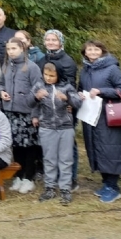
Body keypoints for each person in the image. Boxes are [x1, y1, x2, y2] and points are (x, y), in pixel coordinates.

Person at [78, 40, 121, 203]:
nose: (92, 52)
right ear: (85, 52)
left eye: (96, 49)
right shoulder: (84, 70)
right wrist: (80, 94)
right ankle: (106, 183)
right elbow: (80, 88)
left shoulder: (112, 68)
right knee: (96, 148)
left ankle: (114, 187)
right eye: (89, 50)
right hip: (90, 115)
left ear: (102, 51)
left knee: (111, 150)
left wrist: (101, 91)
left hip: (108, 116)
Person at [31, 63, 82, 205]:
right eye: (46, 75)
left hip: (65, 127)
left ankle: (65, 188)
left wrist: (67, 99)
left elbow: (78, 103)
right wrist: (36, 97)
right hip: (46, 127)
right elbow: (29, 102)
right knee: (49, 159)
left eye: (52, 76)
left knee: (66, 159)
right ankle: (49, 188)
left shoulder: (67, 87)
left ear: (58, 75)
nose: (48, 78)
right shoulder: (39, 86)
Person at [38, 28, 80, 191]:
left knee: (69, 147)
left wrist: (68, 101)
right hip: (47, 111)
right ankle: (52, 179)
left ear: (61, 42)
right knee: (50, 148)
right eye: (48, 39)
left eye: (54, 40)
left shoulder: (67, 61)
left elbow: (70, 85)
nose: (51, 42)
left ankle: (72, 178)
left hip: (65, 108)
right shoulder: (43, 59)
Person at [0, 37, 42, 194]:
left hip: (27, 113)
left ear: (22, 48)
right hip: (11, 112)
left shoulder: (32, 67)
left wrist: (35, 114)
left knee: (28, 146)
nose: (11, 52)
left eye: (14, 49)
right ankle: (19, 174)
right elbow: (1, 83)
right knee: (16, 145)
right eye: (9, 49)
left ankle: (28, 178)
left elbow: (38, 91)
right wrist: (2, 92)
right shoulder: (6, 66)